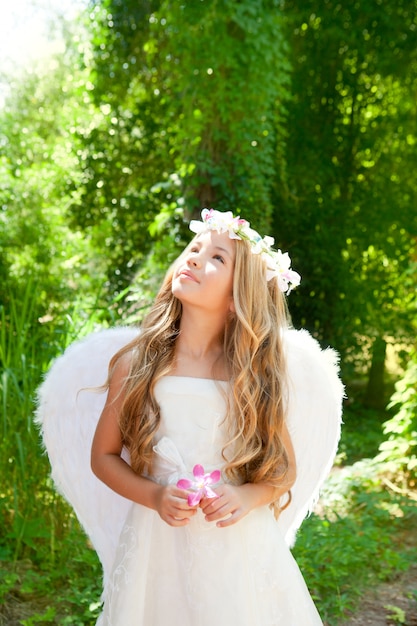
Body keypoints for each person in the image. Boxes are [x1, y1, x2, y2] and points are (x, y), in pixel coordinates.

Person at [36, 208, 344, 625]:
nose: (197, 258)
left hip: (237, 546)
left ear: (238, 298)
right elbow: (103, 457)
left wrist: (247, 496)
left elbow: (282, 471)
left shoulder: (249, 375)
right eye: (195, 248)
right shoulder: (137, 364)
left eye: (218, 258)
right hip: (155, 543)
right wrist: (156, 496)